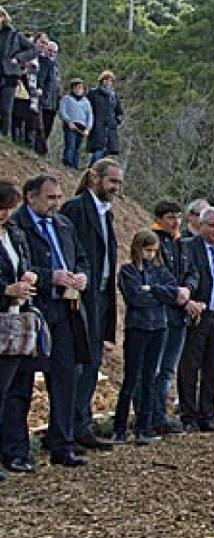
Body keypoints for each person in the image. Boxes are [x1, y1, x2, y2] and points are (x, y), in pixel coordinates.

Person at [10, 175, 91, 467]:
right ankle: (17, 450)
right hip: (35, 309)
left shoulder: (64, 225)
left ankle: (62, 443)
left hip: (67, 309)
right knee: (23, 380)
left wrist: (81, 276)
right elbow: (20, 265)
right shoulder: (17, 226)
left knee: (66, 376)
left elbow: (81, 258)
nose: (57, 203)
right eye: (50, 198)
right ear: (31, 197)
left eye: (58, 197)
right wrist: (49, 276)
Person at [60, 158, 122, 453]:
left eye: (119, 183)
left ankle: (81, 425)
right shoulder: (75, 209)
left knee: (92, 362)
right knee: (77, 364)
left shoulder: (105, 213)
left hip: (99, 295)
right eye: (112, 182)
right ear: (95, 178)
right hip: (80, 296)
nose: (116, 188)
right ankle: (67, 429)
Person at [113, 230, 181, 445]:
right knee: (132, 378)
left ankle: (145, 426)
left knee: (150, 378)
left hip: (158, 327)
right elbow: (135, 298)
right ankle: (120, 428)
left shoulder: (160, 271)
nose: (151, 255)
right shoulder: (128, 271)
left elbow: (173, 293)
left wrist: (152, 289)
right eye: (147, 250)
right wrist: (158, 295)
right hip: (137, 328)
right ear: (138, 248)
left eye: (154, 251)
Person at [177, 207, 214, 432]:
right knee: (190, 366)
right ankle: (188, 415)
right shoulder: (188, 248)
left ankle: (207, 414)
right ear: (200, 226)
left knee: (213, 367)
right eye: (212, 225)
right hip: (197, 315)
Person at [0, 179, 37, 476]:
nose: (5, 214)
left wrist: (27, 279)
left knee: (14, 389)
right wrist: (5, 290)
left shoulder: (15, 233)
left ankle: (13, 450)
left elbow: (25, 264)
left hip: (16, 320)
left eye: (9, 209)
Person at [149, 200, 195, 435]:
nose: (175, 221)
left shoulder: (182, 244)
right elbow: (155, 275)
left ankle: (160, 415)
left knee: (168, 369)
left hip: (179, 315)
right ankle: (149, 415)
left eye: (178, 217)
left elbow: (191, 272)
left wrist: (187, 290)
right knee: (154, 367)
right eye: (170, 217)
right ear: (159, 218)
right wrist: (176, 293)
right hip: (160, 313)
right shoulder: (153, 241)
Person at [0, 7, 36, 139]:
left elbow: (33, 49)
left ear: (3, 17)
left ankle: (5, 136)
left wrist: (18, 59)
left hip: (9, 74)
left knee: (5, 108)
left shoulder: (14, 35)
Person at [86, 70, 123, 166]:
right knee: (98, 152)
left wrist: (117, 121)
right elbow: (87, 108)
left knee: (106, 153)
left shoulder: (114, 96)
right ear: (102, 80)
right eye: (106, 79)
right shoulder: (93, 93)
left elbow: (119, 111)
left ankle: (97, 174)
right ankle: (90, 171)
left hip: (110, 128)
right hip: (97, 126)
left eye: (110, 80)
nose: (108, 82)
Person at [59, 78, 92, 168]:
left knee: (77, 147)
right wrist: (68, 121)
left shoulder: (86, 102)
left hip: (81, 127)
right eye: (77, 87)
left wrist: (88, 129)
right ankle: (67, 163)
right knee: (70, 145)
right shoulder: (67, 98)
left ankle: (74, 165)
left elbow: (90, 116)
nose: (79, 90)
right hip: (70, 125)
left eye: (80, 88)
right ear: (73, 88)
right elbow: (62, 111)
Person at [36, 40, 59, 143]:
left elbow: (56, 86)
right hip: (45, 102)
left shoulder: (55, 66)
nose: (52, 53)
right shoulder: (44, 63)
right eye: (50, 50)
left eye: (54, 52)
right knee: (41, 128)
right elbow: (41, 79)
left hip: (53, 104)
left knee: (48, 129)